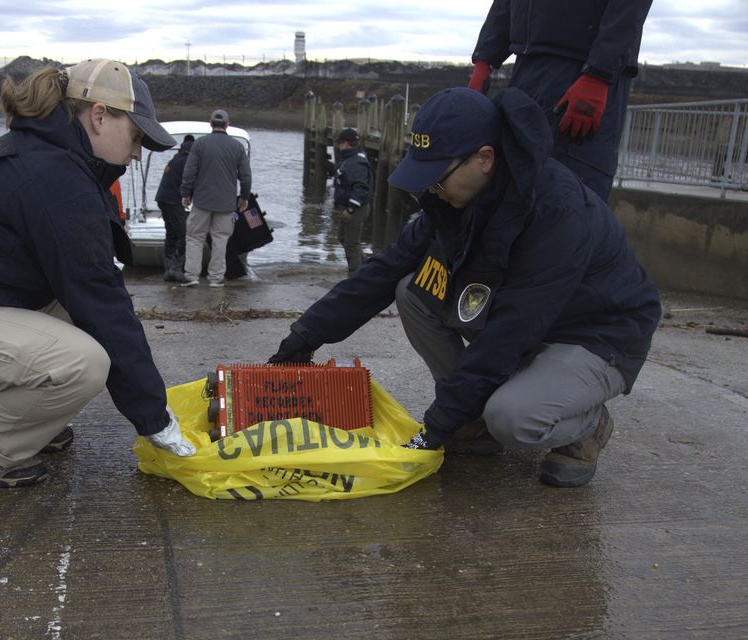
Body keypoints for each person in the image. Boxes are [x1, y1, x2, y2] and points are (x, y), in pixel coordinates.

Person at [269, 87, 661, 488]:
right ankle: (473, 419)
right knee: (410, 289)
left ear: (484, 159)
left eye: (437, 177)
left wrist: (436, 427)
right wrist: (303, 337)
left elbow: (510, 332)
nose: (431, 190)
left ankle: (587, 425)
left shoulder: (558, 213)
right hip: (528, 321)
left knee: (512, 419)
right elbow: (382, 271)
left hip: (596, 335)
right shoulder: (454, 201)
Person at [0, 60, 197, 489]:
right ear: (99, 116)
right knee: (83, 363)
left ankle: (27, 423)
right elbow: (102, 303)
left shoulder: (46, 155)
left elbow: (94, 295)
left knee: (87, 327)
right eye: (137, 136)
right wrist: (153, 419)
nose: (138, 152)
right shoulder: (55, 179)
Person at [468, 0, 653, 202]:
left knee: (570, 198)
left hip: (582, 72)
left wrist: (598, 74)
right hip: (527, 65)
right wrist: (485, 58)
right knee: (513, 190)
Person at [180, 109, 252, 288]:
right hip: (226, 204)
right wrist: (244, 197)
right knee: (220, 240)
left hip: (202, 201)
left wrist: (185, 193)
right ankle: (215, 278)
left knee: (195, 237)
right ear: (227, 125)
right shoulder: (237, 147)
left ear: (210, 123)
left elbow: (189, 171)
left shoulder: (200, 144)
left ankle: (192, 276)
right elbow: (245, 176)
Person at [332, 127, 373, 274]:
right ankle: (367, 268)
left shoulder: (356, 162)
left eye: (340, 143)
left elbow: (360, 188)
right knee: (343, 237)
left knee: (351, 243)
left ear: (346, 144)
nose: (339, 146)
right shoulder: (352, 158)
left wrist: (350, 209)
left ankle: (355, 277)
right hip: (352, 206)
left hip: (356, 208)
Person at [155, 135, 194, 282]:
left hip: (162, 198)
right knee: (184, 233)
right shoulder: (186, 161)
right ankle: (176, 269)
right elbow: (190, 181)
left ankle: (168, 269)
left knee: (171, 233)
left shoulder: (175, 159)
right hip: (172, 200)